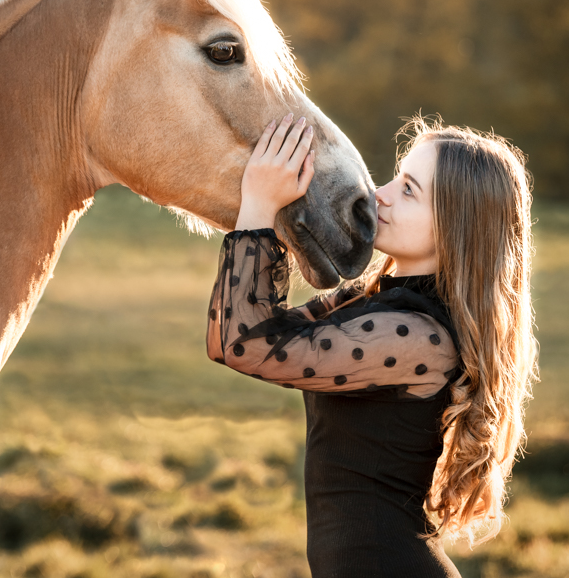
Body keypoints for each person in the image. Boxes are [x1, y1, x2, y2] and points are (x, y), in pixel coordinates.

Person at [206, 113, 538, 578]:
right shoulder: (377, 299)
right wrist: (285, 209)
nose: (379, 194)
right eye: (396, 177)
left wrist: (258, 204)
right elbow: (263, 331)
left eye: (408, 190)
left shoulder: (417, 338)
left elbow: (242, 342)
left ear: (454, 227)